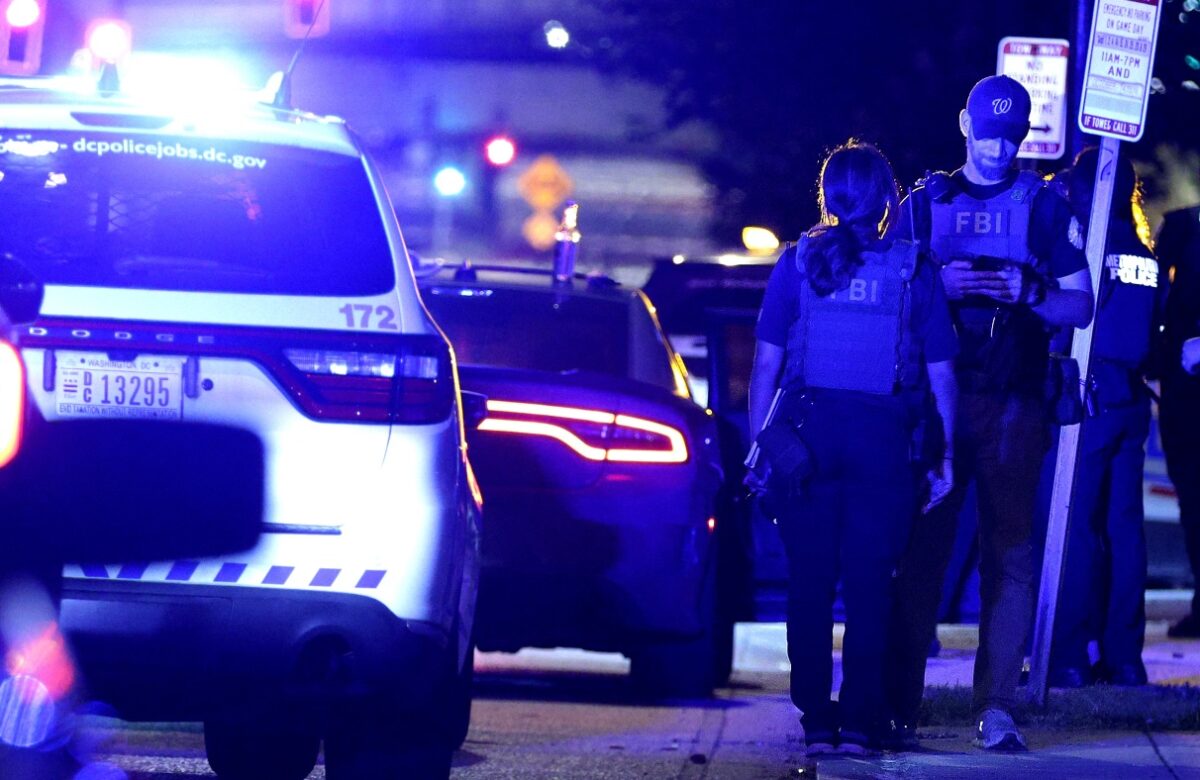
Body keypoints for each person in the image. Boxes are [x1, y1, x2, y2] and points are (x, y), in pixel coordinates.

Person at [884, 75, 1093, 752]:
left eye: (1011, 136)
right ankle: (899, 706)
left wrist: (1030, 291)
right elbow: (882, 297)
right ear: (964, 125)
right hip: (937, 409)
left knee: (1010, 557)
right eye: (989, 133)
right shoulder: (924, 204)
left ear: (1024, 135)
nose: (999, 148)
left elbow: (1081, 304)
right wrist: (935, 284)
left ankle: (996, 708)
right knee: (922, 557)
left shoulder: (1043, 207)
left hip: (1013, 405)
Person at [746, 140, 958, 755]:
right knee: (871, 589)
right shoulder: (913, 269)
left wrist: (762, 448)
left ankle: (817, 720)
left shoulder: (796, 263)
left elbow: (765, 368)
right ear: (889, 200)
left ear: (829, 199)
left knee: (809, 587)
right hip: (883, 445)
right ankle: (862, 723)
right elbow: (943, 374)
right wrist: (946, 455)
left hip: (806, 443)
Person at [1049, 147, 1164, 687]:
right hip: (1131, 400)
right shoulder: (1144, 254)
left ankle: (1069, 656)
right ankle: (1125, 659)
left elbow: (1066, 320)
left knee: (1073, 526)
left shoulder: (1087, 250)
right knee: (1125, 531)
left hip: (1088, 396)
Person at [1157, 203, 1200, 637]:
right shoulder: (1184, 225)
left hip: (1186, 378)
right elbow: (1158, 294)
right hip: (1184, 390)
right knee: (1192, 499)